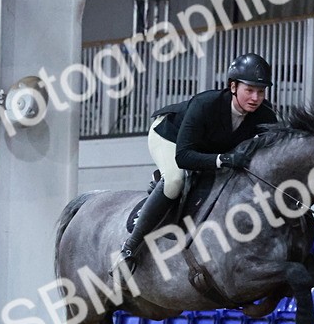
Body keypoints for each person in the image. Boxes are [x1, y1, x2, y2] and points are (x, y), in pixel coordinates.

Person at [115, 52, 278, 273]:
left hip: (209, 146)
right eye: (249, 90)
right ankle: (130, 247)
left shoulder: (265, 115)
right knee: (175, 180)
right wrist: (223, 159)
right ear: (233, 87)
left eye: (261, 92)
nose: (255, 98)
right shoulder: (206, 104)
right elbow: (183, 157)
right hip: (170, 136)